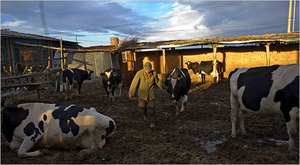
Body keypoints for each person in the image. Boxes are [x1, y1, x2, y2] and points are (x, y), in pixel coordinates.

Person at [128, 62, 163, 128]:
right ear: (144, 68)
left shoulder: (154, 73)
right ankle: (144, 114)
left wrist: (164, 87)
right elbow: (134, 83)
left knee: (152, 110)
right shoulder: (139, 73)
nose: (148, 71)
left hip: (151, 94)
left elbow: (158, 81)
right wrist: (131, 92)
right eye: (147, 70)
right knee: (141, 108)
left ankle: (152, 122)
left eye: (149, 70)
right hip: (142, 94)